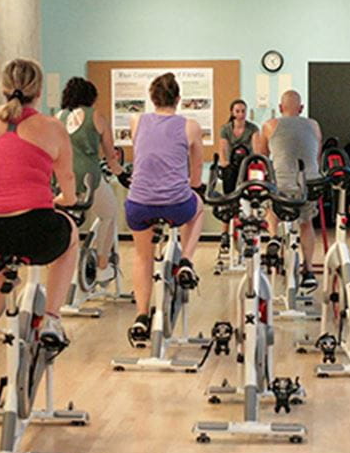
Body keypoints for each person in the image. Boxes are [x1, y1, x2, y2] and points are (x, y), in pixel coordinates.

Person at [0, 59, 80, 419]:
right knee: (71, 233)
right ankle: (53, 316)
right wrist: (62, 200)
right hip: (34, 226)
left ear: (1, 87)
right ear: (40, 91)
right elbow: (69, 187)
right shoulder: (52, 127)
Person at [125, 72, 206, 336]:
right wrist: (193, 187)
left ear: (151, 98)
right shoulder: (190, 126)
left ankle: (140, 315)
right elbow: (196, 170)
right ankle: (185, 260)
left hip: (139, 204)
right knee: (198, 206)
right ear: (179, 99)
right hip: (175, 204)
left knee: (142, 256)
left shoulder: (136, 120)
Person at [254, 90, 321, 292]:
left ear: (281, 108)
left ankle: (274, 236)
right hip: (309, 184)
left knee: (271, 208)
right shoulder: (313, 125)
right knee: (306, 224)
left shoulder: (269, 125)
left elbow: (262, 157)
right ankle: (308, 270)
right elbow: (316, 156)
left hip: (282, 185)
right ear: (301, 109)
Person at [58, 77, 125, 281]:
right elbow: (110, 156)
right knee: (109, 213)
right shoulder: (96, 116)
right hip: (88, 176)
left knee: (67, 221)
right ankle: (102, 264)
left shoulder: (58, 117)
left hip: (62, 178)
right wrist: (121, 173)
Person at [218, 99, 260, 192]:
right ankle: (229, 202)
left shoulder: (253, 128)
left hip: (248, 162)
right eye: (237, 111)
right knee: (228, 173)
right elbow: (222, 149)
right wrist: (224, 162)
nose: (241, 114)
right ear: (232, 113)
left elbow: (257, 149)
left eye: (243, 111)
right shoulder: (225, 129)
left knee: (254, 173)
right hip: (232, 163)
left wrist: (256, 163)